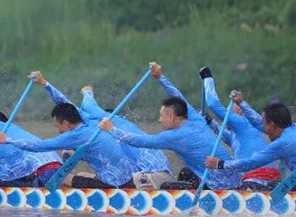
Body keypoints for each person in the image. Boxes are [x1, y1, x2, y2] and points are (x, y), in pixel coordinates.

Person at [99, 62, 240, 191]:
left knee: (166, 187)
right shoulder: (196, 119)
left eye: (162, 116)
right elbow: (177, 96)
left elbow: (139, 141)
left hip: (221, 187)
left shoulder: (174, 136)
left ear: (172, 117)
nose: (159, 120)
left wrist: (112, 129)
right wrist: (160, 77)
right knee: (185, 173)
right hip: (234, 179)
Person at [0, 71, 134, 189]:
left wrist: (8, 140)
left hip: (113, 185)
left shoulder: (73, 136)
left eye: (57, 126)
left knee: (61, 178)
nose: (58, 131)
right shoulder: (88, 119)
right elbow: (63, 101)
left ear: (66, 123)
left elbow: (38, 146)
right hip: (127, 179)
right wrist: (44, 83)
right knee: (81, 175)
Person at [78, 86, 174, 190]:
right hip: (163, 175)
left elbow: (89, 107)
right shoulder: (123, 124)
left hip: (152, 178)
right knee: (82, 174)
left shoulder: (110, 124)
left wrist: (87, 92)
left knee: (107, 182)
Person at [200, 68, 277, 190]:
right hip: (258, 179)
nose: (226, 120)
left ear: (239, 112)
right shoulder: (240, 133)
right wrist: (210, 122)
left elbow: (213, 105)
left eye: (229, 114)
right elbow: (226, 136)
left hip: (259, 179)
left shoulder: (242, 123)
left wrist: (207, 78)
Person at [205, 103, 296, 186]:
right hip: (271, 176)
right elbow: (230, 139)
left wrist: (220, 164)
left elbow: (252, 162)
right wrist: (211, 123)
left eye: (264, 123)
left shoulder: (281, 143)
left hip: (259, 176)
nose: (263, 128)